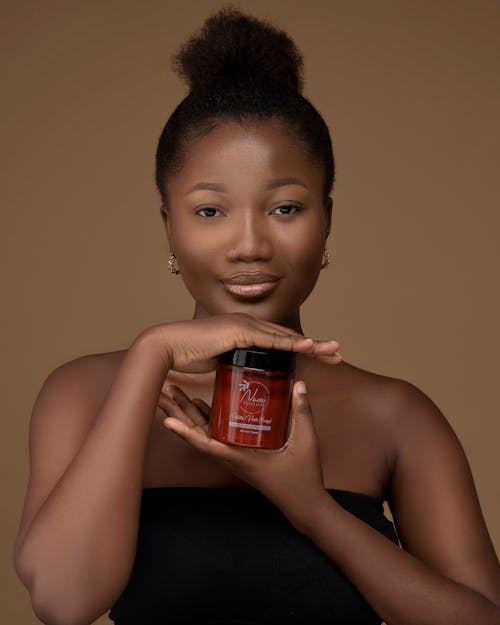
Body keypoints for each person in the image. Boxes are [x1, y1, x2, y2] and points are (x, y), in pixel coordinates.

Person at [13, 7, 500, 625]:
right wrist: (151, 355)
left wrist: (310, 507)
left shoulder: (395, 415)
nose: (249, 245)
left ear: (327, 221)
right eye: (210, 212)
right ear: (169, 226)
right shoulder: (84, 394)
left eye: (286, 209)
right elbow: (64, 602)